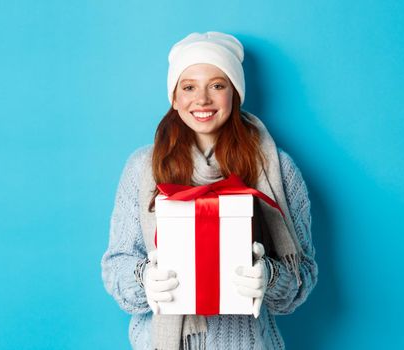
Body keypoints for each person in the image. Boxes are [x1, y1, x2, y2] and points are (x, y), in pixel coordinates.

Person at [101, 31, 318, 350]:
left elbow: (302, 276)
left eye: (217, 85)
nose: (202, 100)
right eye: (189, 87)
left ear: (235, 93)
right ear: (174, 97)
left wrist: (269, 277)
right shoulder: (142, 168)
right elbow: (116, 263)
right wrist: (144, 279)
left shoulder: (277, 169)